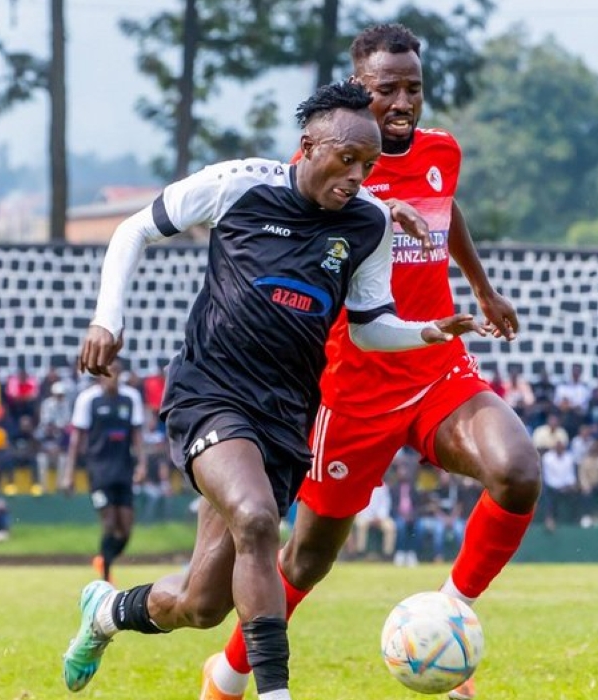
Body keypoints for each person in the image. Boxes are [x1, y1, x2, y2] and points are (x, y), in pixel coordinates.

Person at [59, 80, 481, 700]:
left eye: (368, 166)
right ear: (308, 146)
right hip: (210, 393)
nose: (358, 176)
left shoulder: (365, 226)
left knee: (203, 604)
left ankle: (105, 612)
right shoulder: (240, 183)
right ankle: (274, 692)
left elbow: (369, 331)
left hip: (285, 419)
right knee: (258, 519)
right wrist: (107, 319)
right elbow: (132, 231)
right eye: (346, 160)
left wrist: (428, 333)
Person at [203, 24, 540, 700]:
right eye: (387, 89)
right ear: (360, 91)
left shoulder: (444, 151)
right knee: (307, 559)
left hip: (436, 369)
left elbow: (446, 208)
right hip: (349, 391)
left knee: (517, 469)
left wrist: (481, 286)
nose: (403, 102)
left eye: (414, 87)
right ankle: (229, 674)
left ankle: (448, 619)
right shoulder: (332, 167)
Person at [60, 357, 147, 582]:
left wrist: (142, 464)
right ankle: (106, 577)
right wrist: (69, 473)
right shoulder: (88, 399)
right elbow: (76, 439)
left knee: (125, 529)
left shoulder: (131, 398)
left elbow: (137, 435)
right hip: (99, 470)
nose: (113, 376)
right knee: (109, 523)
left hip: (123, 470)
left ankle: (103, 558)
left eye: (117, 371)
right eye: (109, 371)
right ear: (100, 374)